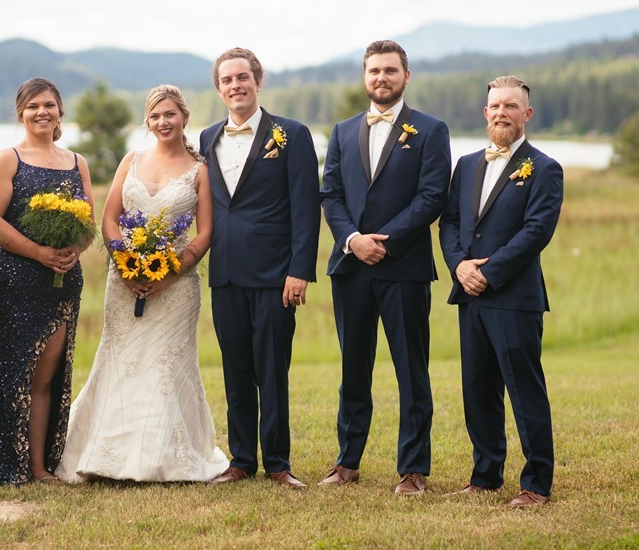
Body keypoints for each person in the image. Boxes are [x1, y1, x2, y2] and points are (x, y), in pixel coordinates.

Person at [55, 85, 228, 483]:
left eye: (170, 114)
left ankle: (161, 457)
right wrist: (126, 264)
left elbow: (205, 233)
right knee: (120, 360)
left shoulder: (200, 170)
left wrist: (170, 272)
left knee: (165, 364)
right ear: (147, 121)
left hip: (177, 286)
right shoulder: (131, 161)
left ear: (184, 117)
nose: (163, 122)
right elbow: (109, 219)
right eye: (155, 116)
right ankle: (105, 455)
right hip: (124, 280)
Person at [319, 40, 450, 495]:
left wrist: (383, 242)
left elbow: (432, 197)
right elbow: (330, 195)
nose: (382, 78)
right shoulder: (343, 131)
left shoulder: (431, 130)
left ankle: (413, 469)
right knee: (353, 369)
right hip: (351, 266)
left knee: (411, 370)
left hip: (404, 268)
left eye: (390, 70)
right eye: (374, 70)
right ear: (365, 77)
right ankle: (347, 462)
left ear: (406, 76)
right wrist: (353, 240)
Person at [438, 75, 563, 508]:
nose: (501, 113)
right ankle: (486, 475)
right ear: (485, 112)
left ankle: (536, 484)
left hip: (514, 297)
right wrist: (459, 266)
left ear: (527, 114)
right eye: (495, 106)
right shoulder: (467, 164)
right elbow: (449, 222)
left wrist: (489, 273)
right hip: (469, 294)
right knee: (477, 390)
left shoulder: (545, 168)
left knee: (524, 391)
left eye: (511, 106)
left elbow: (536, 231)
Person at [199, 48, 320, 490]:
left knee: (272, 371)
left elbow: (306, 207)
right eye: (227, 80)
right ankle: (242, 460)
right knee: (235, 370)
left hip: (274, 274)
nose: (236, 85)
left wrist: (299, 270)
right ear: (219, 89)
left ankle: (278, 464)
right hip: (226, 272)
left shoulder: (292, 134)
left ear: (258, 81)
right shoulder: (207, 138)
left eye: (242, 77)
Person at [0, 77, 95, 486]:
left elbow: (88, 222)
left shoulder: (77, 162)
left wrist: (74, 250)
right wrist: (37, 252)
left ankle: (39, 466)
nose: (41, 112)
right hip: (12, 281)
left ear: (60, 111)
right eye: (32, 106)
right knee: (10, 374)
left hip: (61, 281)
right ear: (20, 113)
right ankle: (4, 463)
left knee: (46, 376)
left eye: (48, 105)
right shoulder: (9, 159)